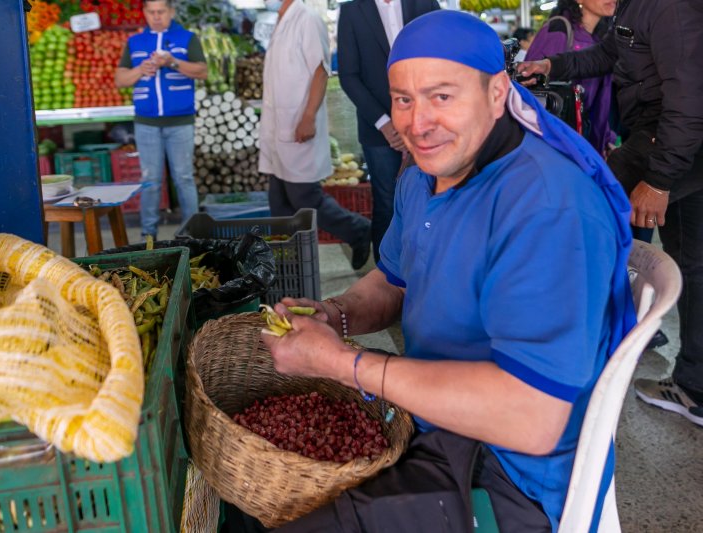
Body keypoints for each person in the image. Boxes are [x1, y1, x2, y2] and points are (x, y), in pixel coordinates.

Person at [262, 10, 635, 532]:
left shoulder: (547, 209)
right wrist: (336, 316)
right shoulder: (424, 179)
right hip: (432, 424)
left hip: (504, 473)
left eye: (443, 96)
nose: (418, 123)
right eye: (403, 99)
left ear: (498, 92)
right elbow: (393, 280)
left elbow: (531, 420)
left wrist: (343, 363)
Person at [519, 0, 703, 427]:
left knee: (583, 214)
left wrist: (659, 181)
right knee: (693, 264)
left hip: (670, 145)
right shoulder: (631, 9)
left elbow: (689, 101)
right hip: (667, 145)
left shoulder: (667, 8)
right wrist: (550, 65)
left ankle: (563, 363)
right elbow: (609, 54)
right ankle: (694, 385)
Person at [259, 0, 371, 270]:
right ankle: (288, 267)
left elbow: (320, 70)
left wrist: (308, 117)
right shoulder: (280, 20)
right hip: (278, 128)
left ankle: (358, 230)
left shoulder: (307, 18)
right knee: (280, 201)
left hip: (298, 125)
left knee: (305, 199)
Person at [337, 0, 439, 263]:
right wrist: (385, 123)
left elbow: (443, 57)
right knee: (387, 203)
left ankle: (427, 270)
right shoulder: (353, 10)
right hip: (380, 131)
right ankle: (386, 278)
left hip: (428, 122)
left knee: (432, 197)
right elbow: (349, 75)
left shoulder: (425, 3)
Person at [114, 0, 207, 240]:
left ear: (171, 12)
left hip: (180, 122)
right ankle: (148, 235)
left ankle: (192, 233)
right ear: (145, 13)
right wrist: (140, 70)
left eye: (161, 12)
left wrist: (172, 62)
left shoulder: (187, 38)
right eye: (151, 12)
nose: (156, 16)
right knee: (150, 180)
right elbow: (120, 79)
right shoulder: (134, 42)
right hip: (146, 123)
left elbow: (203, 71)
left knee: (184, 178)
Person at [524, 0, 616, 156]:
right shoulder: (558, 31)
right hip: (557, 148)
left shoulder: (603, 39)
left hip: (586, 145)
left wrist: (606, 138)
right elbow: (532, 95)